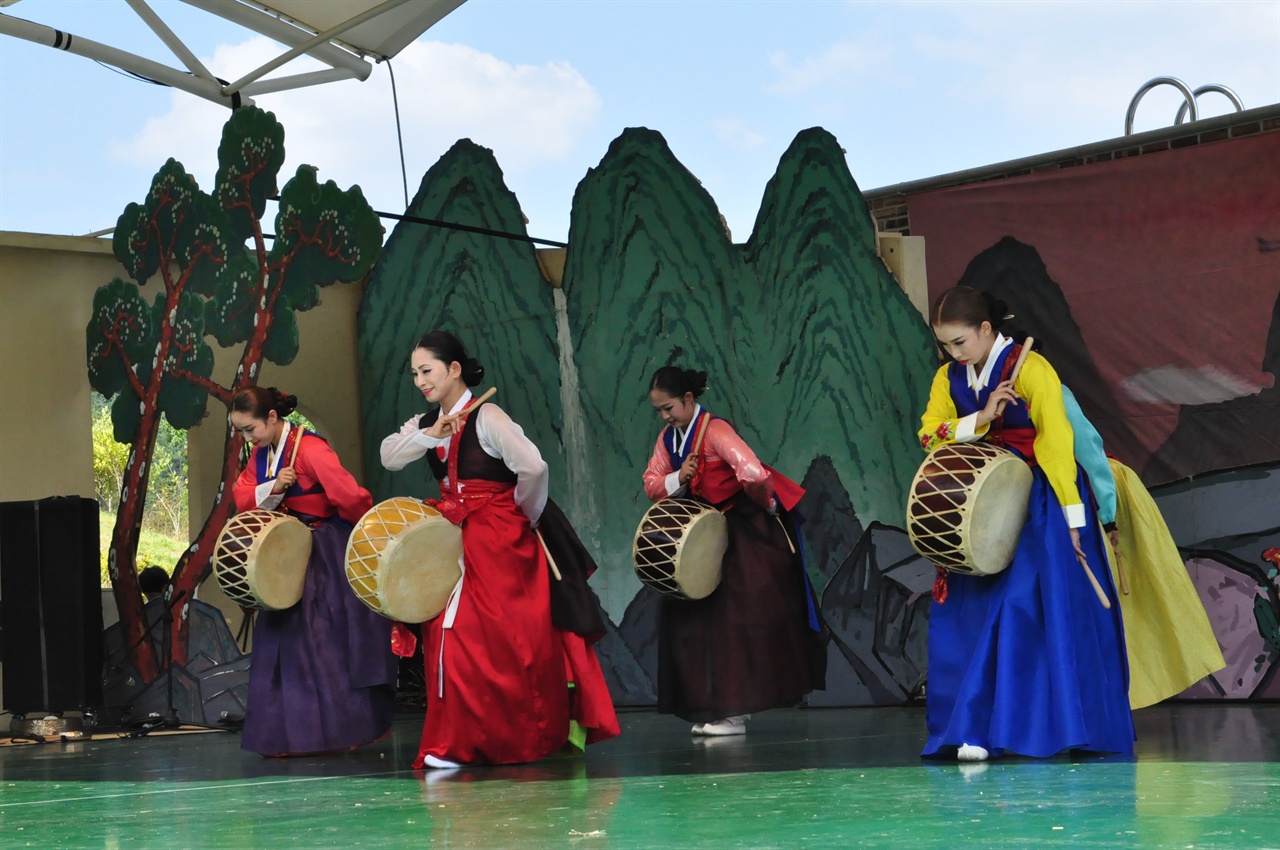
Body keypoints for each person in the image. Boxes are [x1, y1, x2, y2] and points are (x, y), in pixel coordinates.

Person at [380, 331, 619, 768]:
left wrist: (522, 515)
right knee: (444, 633)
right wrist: (432, 434)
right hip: (451, 532)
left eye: (426, 370)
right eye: (414, 373)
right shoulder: (427, 423)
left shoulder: (488, 416)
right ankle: (456, 741)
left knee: (498, 638)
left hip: (497, 534)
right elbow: (389, 457)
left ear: (454, 369)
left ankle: (508, 737)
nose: (420, 381)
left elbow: (533, 467)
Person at [918, 286, 1133, 761]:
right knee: (968, 614)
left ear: (986, 330)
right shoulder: (947, 379)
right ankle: (972, 727)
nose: (952, 353)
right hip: (979, 505)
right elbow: (929, 432)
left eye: (959, 342)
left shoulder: (1032, 369)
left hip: (1039, 499)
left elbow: (1058, 443)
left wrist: (1075, 519)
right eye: (945, 345)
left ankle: (1032, 729)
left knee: (1021, 610)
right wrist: (981, 416)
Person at [642, 366, 824, 737]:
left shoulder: (715, 431)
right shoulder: (669, 439)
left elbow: (754, 475)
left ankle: (735, 713)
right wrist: (680, 477)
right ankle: (709, 704)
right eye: (659, 411)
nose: (665, 416)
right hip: (699, 537)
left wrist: (768, 506)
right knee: (689, 620)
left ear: (689, 399)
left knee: (734, 620)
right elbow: (652, 483)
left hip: (739, 528)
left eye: (669, 408)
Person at [230, 386, 395, 756]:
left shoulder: (311, 449)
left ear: (272, 418)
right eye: (241, 431)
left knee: (322, 642)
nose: (247, 438)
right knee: (283, 644)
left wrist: (358, 536)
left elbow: (351, 497)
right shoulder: (262, 455)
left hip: (320, 553)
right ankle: (288, 736)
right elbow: (241, 496)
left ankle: (339, 731)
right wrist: (274, 485)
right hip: (284, 555)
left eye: (249, 429)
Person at [1061, 387, 1225, 708]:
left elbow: (1087, 449)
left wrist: (1108, 516)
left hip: (1095, 496)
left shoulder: (1042, 384)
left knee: (1133, 604)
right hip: (1053, 501)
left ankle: (1111, 699)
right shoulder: (970, 390)